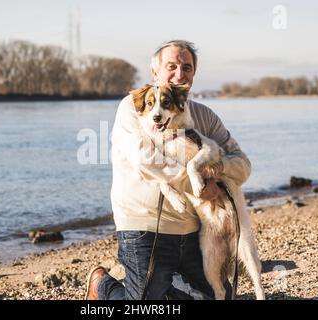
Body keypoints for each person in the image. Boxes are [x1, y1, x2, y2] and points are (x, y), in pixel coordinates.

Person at [85, 40, 251, 300]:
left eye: (187, 67)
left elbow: (242, 165)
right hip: (145, 226)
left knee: (221, 297)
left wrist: (218, 169)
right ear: (155, 72)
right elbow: (146, 160)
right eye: (171, 66)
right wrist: (198, 183)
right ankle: (103, 284)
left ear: (193, 74)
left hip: (194, 228)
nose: (179, 73)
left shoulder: (205, 116)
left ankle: (169, 283)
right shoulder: (135, 107)